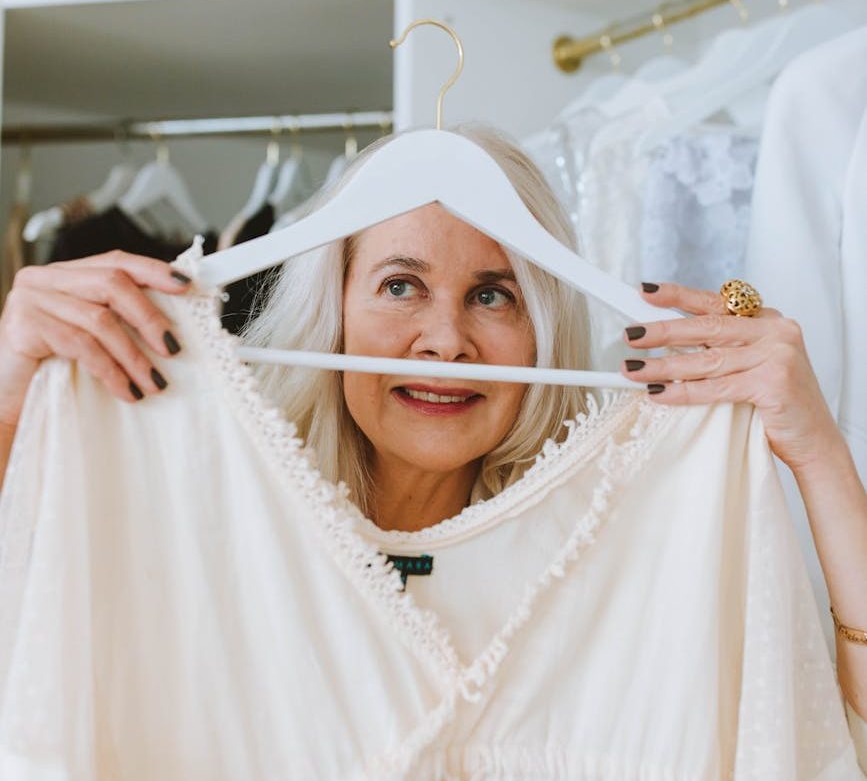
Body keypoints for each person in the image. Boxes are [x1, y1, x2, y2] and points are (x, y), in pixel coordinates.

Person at [0, 124, 864, 746]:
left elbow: (825, 742)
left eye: (492, 295)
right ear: (333, 308)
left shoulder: (640, 544)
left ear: (541, 329)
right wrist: (9, 393)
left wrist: (819, 454)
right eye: (400, 285)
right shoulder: (192, 518)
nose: (446, 340)